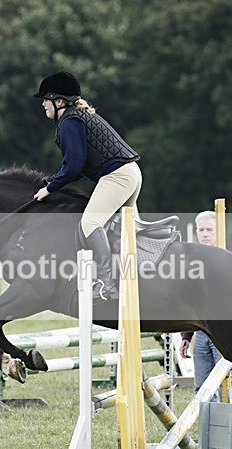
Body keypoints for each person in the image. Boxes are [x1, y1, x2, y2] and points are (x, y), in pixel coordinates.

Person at [32, 71, 142, 302]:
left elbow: (74, 167)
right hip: (130, 173)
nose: (43, 104)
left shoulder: (69, 122)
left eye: (46, 99)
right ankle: (136, 276)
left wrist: (49, 187)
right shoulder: (78, 116)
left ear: (59, 102)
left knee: (90, 224)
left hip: (117, 177)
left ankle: (105, 285)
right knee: (126, 230)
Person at [180, 210, 232, 400]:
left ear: (218, 231)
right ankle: (208, 419)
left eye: (209, 230)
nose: (205, 234)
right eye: (201, 230)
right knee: (202, 387)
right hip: (201, 334)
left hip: (225, 332)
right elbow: (191, 301)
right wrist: (186, 335)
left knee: (229, 384)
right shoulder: (192, 263)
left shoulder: (230, 261)